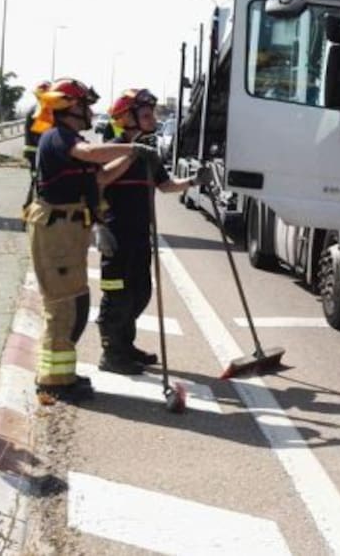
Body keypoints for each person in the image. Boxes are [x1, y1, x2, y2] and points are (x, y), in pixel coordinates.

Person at [26, 78, 160, 404]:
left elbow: (100, 177)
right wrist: (131, 147)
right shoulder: (59, 137)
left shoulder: (69, 139)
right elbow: (92, 154)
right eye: (86, 104)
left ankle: (61, 375)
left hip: (69, 231)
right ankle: (54, 382)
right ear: (70, 106)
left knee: (75, 304)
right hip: (56, 229)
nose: (91, 110)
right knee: (63, 308)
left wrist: (134, 155)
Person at [95, 89, 209, 374]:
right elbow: (100, 180)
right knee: (117, 295)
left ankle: (125, 344)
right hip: (115, 237)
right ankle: (111, 353)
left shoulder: (150, 153)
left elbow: (165, 185)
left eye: (152, 114)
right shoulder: (113, 148)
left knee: (140, 292)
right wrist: (98, 227)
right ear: (127, 119)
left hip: (139, 236)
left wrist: (194, 181)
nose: (152, 119)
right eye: (146, 115)